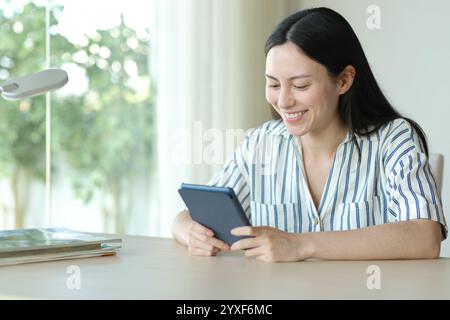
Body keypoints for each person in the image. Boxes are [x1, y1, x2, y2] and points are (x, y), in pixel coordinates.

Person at [171, 7, 447, 262]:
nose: (283, 101)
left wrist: (301, 244)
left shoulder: (393, 139)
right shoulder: (261, 143)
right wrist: (188, 231)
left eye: (300, 85)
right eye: (274, 84)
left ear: (343, 80)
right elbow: (189, 218)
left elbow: (425, 236)